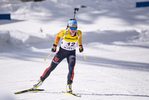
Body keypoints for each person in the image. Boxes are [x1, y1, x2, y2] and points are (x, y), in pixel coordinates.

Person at [33, 19, 84, 93]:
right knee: (51, 67)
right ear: (68, 27)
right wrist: (54, 45)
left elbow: (79, 38)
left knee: (71, 68)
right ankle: (39, 82)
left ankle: (69, 86)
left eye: (75, 28)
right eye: (72, 28)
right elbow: (57, 36)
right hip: (61, 52)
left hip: (71, 53)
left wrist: (80, 46)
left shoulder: (79, 33)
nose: (73, 30)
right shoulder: (64, 32)